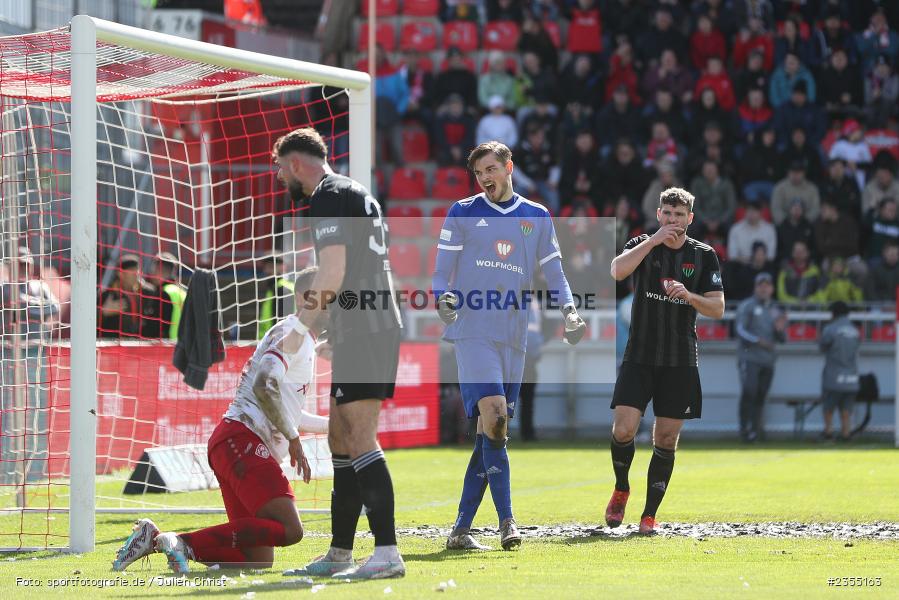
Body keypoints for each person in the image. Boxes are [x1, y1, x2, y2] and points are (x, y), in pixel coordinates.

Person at [111, 268, 328, 573]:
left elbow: (286, 409)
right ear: (308, 298)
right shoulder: (294, 335)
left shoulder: (299, 336)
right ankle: (183, 543)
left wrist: (331, 428)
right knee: (290, 529)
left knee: (257, 561)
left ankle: (155, 538)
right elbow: (263, 384)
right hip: (243, 441)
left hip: (233, 443)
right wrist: (292, 438)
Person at [432, 141, 586, 551]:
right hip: (473, 330)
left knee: (491, 433)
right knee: (496, 417)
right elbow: (440, 274)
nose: (484, 178)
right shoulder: (462, 213)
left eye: (490, 169)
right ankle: (507, 523)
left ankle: (461, 530)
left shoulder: (535, 216)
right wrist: (442, 298)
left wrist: (569, 311)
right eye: (478, 173)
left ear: (508, 167)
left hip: (515, 336)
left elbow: (555, 273)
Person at [273, 128, 405, 579]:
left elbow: (331, 273)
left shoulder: (327, 195)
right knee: (339, 437)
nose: (279, 177)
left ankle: (387, 553)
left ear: (294, 164)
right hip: (362, 325)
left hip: (369, 327)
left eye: (279, 168)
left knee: (360, 434)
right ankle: (340, 552)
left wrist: (301, 329)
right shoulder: (354, 191)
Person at [607, 187, 725, 534]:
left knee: (667, 439)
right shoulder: (642, 244)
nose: (673, 220)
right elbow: (616, 271)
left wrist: (689, 295)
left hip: (680, 359)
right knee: (624, 428)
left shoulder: (704, 256)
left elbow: (717, 308)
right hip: (639, 355)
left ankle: (649, 515)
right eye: (667, 214)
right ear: (659, 215)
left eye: (679, 215)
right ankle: (621, 487)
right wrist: (653, 241)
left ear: (690, 218)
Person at [735, 272, 786, 442]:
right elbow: (740, 330)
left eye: (767, 285)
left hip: (768, 360)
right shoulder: (747, 306)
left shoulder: (775, 309)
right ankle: (744, 430)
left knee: (761, 395)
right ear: (755, 288)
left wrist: (780, 330)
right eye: (761, 285)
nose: (764, 288)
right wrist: (758, 341)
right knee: (749, 391)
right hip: (749, 358)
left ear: (772, 288)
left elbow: (783, 339)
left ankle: (755, 431)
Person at [819, 301, 861, 442]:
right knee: (846, 408)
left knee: (829, 405)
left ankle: (829, 431)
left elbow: (823, 346)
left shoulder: (830, 329)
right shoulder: (855, 330)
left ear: (833, 313)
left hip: (834, 375)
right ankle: (846, 433)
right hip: (851, 376)